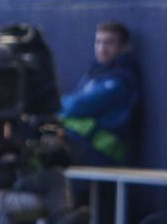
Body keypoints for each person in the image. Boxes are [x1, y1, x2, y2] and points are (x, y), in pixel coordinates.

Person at [60, 22, 141, 166]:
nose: (102, 49)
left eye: (109, 43)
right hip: (83, 151)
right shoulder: (95, 73)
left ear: (124, 47)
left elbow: (76, 106)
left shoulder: (120, 80)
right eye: (98, 42)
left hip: (104, 155)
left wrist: (54, 103)